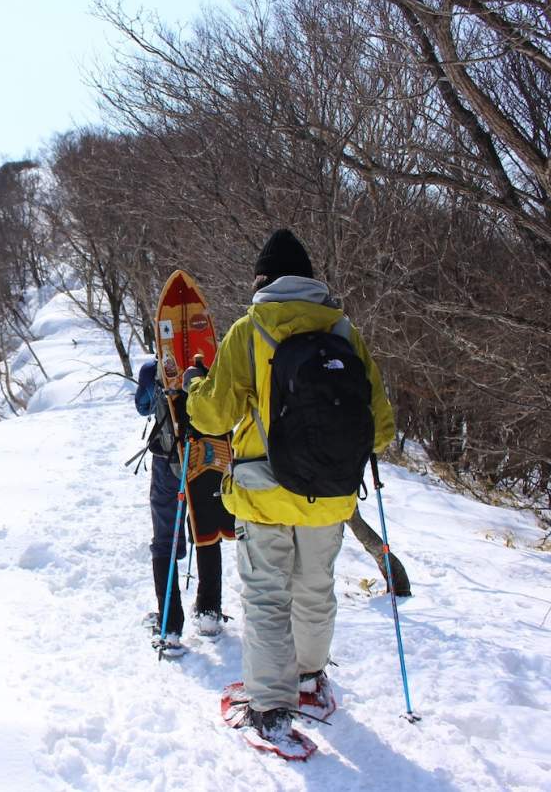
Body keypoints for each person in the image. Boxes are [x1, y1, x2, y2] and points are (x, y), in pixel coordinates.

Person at [186, 229, 395, 740]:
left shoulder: (250, 329)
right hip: (330, 497)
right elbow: (382, 429)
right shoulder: (344, 331)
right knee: (315, 589)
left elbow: (213, 415)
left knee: (266, 598)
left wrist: (194, 390)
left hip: (263, 494)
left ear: (262, 279)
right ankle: (308, 677)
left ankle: (271, 707)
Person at [135, 352, 228, 657]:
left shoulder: (154, 367)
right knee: (206, 528)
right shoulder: (213, 360)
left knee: (165, 538)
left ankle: (170, 627)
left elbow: (143, 406)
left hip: (168, 461)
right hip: (208, 457)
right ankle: (209, 612)